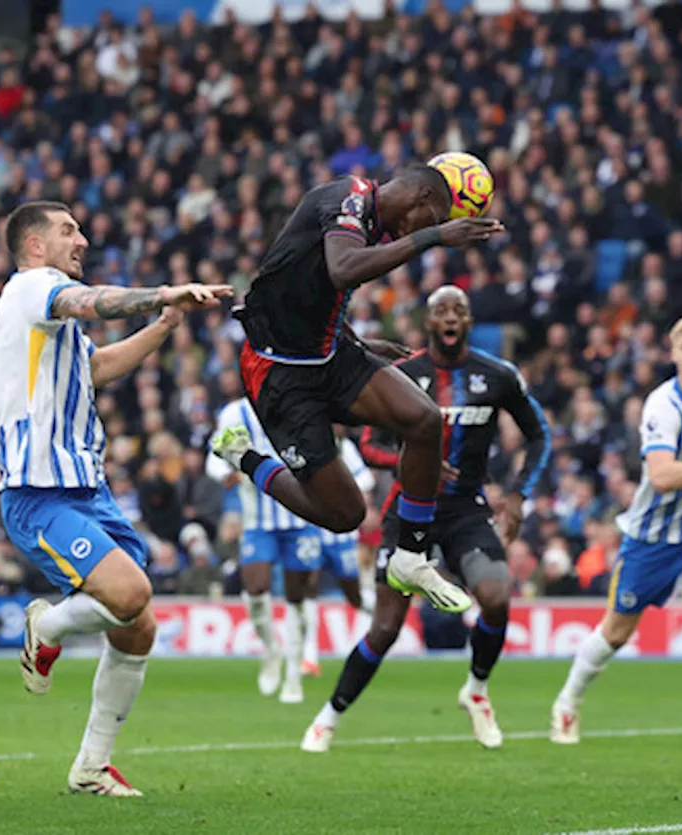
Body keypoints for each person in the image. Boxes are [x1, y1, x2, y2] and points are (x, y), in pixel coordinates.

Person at [0, 200, 231, 796]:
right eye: (69, 230)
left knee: (137, 625)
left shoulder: (51, 323)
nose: (83, 240)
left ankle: (90, 766)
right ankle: (47, 626)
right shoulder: (32, 289)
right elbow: (89, 300)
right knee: (131, 593)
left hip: (86, 489)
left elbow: (97, 368)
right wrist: (163, 291)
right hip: (38, 493)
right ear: (36, 245)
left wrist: (165, 325)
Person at [211, 164, 504, 615]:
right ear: (422, 197)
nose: (430, 230)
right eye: (434, 218)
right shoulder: (348, 199)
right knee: (344, 516)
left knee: (425, 419)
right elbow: (342, 270)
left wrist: (359, 343)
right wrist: (434, 238)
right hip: (280, 373)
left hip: (331, 354)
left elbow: (306, 289)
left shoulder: (370, 224)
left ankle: (411, 555)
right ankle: (244, 457)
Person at [300, 285, 551, 752]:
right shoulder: (400, 374)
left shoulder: (497, 375)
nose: (450, 317)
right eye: (441, 311)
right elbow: (369, 443)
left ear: (469, 321)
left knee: (496, 596)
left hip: (465, 510)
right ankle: (329, 716)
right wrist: (413, 466)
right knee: (386, 628)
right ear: (429, 322)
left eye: (459, 310)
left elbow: (540, 435)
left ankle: (476, 691)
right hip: (408, 511)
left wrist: (517, 496)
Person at [549, 315, 682, 743]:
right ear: (673, 354)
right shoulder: (663, 406)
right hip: (652, 536)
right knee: (616, 631)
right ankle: (567, 702)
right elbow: (663, 476)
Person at [207, 396, 326, 704]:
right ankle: (271, 649)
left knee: (297, 598)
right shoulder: (237, 412)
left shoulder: (301, 404)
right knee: (256, 590)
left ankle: (293, 675)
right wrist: (226, 472)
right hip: (258, 519)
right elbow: (214, 454)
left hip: (302, 517)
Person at [302, 429, 379, 678]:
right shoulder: (306, 444)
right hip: (312, 529)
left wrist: (365, 508)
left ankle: (378, 614)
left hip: (342, 533)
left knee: (353, 594)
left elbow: (365, 483)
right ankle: (309, 655)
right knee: (308, 585)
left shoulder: (345, 449)